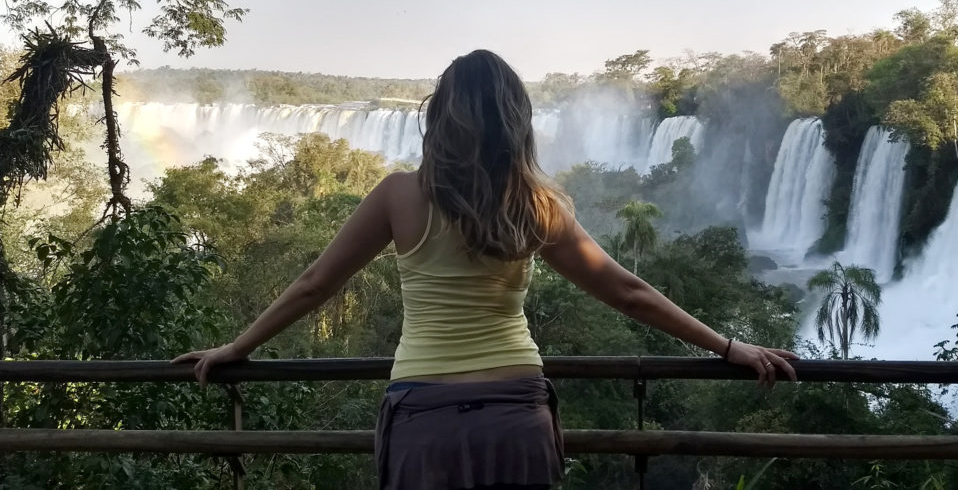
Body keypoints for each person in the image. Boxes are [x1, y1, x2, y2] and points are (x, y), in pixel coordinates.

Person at [173, 49, 798, 490]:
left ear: (440, 115)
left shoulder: (398, 195)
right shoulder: (537, 204)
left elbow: (316, 285)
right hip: (516, 414)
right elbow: (628, 293)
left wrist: (238, 346)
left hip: (424, 415)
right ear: (515, 120)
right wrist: (727, 345)